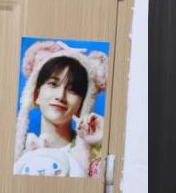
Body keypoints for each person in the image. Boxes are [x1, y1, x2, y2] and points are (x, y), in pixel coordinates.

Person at [13, 40, 108, 177]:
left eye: (72, 90)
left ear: (83, 103)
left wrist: (96, 144)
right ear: (36, 95)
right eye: (53, 84)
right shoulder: (18, 152)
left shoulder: (93, 156)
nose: (60, 96)